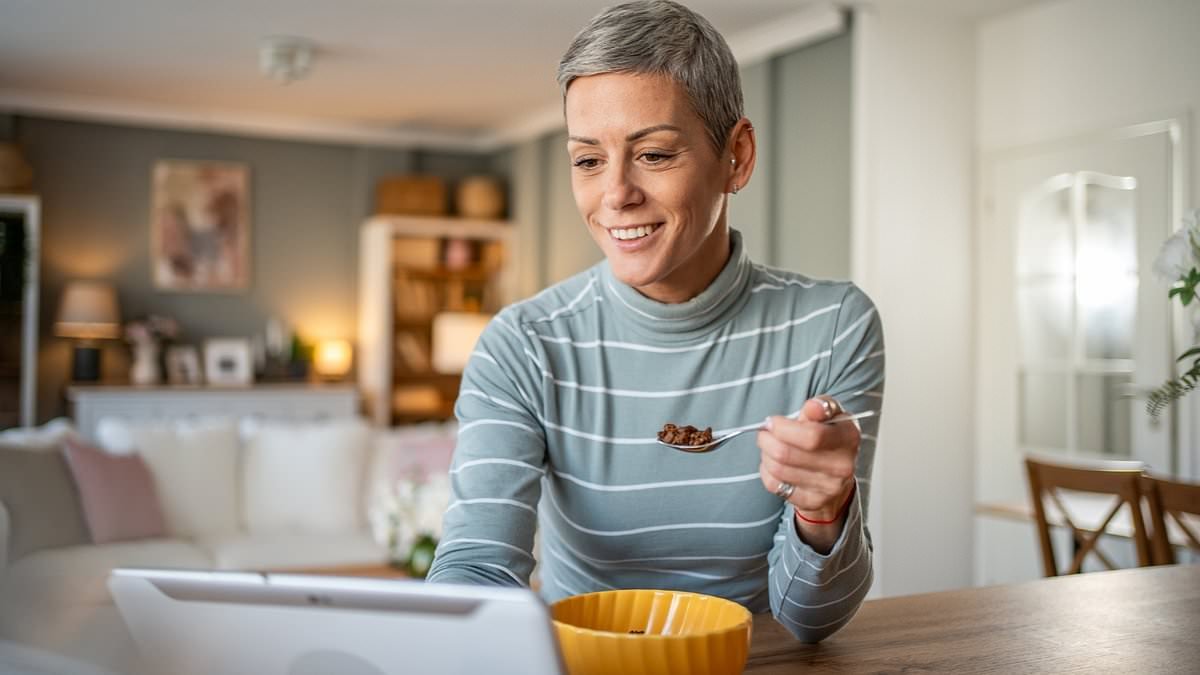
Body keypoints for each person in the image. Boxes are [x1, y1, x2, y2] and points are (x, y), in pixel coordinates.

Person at [427, 0, 884, 642]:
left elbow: (810, 619)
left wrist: (823, 511)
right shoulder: (523, 345)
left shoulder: (833, 325)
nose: (615, 194)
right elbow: (477, 564)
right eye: (588, 160)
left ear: (737, 156)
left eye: (655, 154)